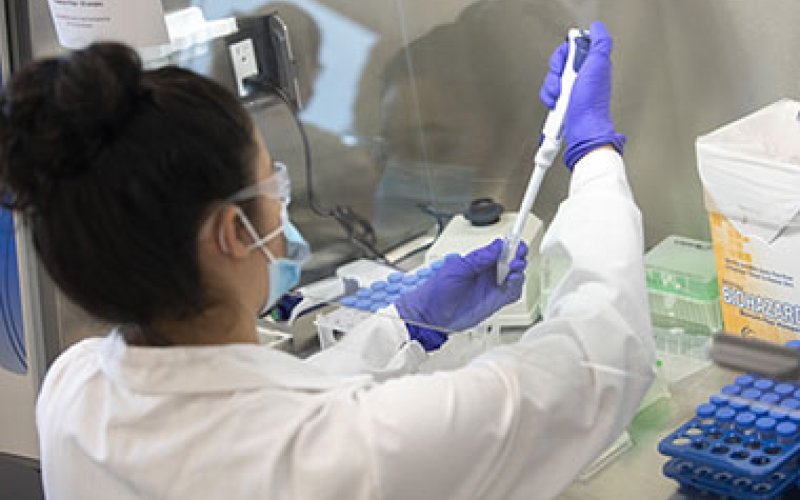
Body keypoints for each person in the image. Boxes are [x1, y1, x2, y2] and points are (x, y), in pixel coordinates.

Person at [0, 20, 653, 500]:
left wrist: (403, 327)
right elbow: (599, 362)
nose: (282, 199)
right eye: (271, 181)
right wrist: (592, 151)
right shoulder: (348, 453)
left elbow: (237, 409)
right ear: (232, 230)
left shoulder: (74, 393)